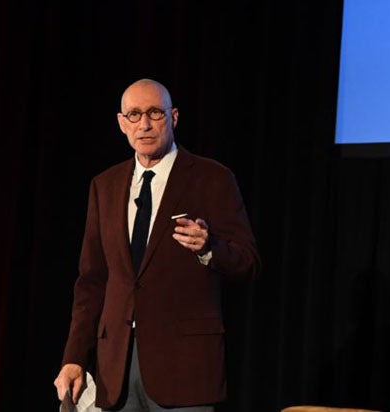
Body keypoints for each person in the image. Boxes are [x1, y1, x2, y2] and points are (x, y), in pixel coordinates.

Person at [53, 78, 261, 412]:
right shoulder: (105, 186)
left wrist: (208, 247)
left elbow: (248, 261)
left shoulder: (211, 178)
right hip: (116, 368)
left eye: (155, 113)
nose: (145, 124)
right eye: (134, 115)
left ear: (173, 117)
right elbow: (92, 281)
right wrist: (74, 357)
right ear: (122, 123)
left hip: (185, 368)